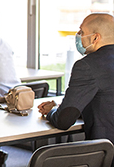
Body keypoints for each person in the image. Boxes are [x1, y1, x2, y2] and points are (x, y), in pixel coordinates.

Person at [38, 13, 114, 159]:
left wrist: (52, 111)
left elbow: (64, 121)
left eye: (82, 32)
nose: (78, 36)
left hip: (106, 154)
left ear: (95, 38)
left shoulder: (87, 65)